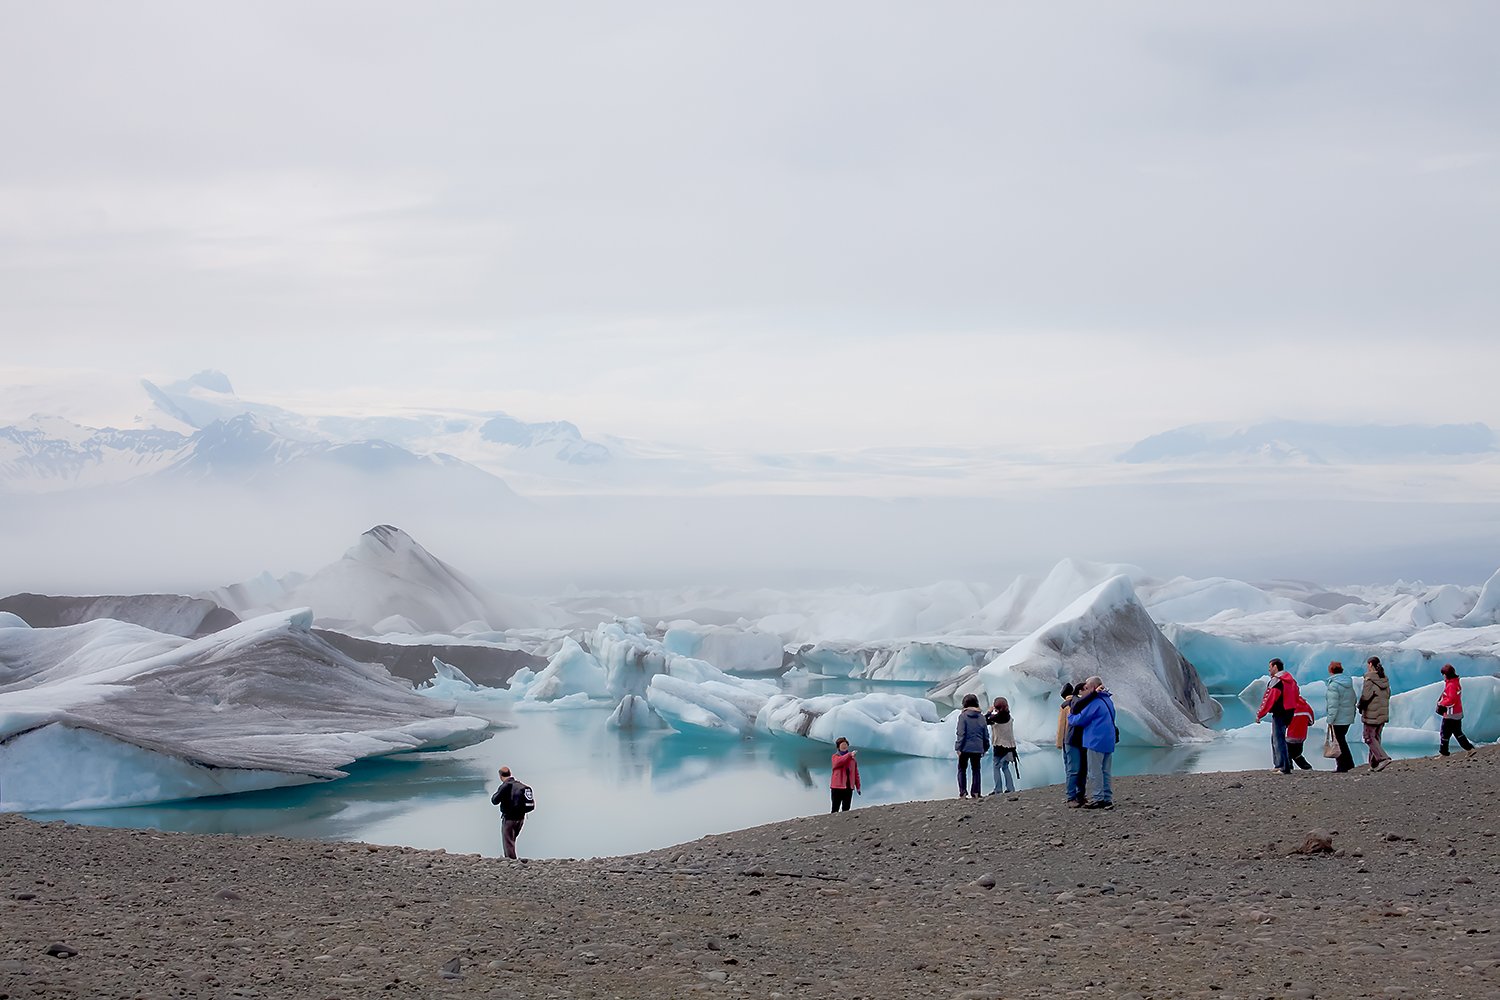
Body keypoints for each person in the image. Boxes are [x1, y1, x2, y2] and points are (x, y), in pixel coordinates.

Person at [1070, 676, 1117, 809]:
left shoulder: (1095, 702)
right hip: (1108, 740)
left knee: (1095, 771)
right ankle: (1107, 798)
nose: (1085, 689)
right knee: (1105, 771)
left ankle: (1098, 798)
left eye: (1086, 687)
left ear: (1092, 687)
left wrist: (1070, 716)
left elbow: (1080, 719)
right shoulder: (1108, 700)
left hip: (1095, 740)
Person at [1255, 658, 1295, 774]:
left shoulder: (1277, 681)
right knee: (1277, 738)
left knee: (1278, 739)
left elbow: (1270, 698)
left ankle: (1283, 767)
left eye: (1270, 667)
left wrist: (1260, 714)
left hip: (1280, 712)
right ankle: (1279, 764)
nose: (1269, 669)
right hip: (1289, 711)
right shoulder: (1290, 680)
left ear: (1275, 667)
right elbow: (1296, 694)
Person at [489, 765, 535, 859]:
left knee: (508, 841)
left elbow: (495, 800)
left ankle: (511, 862)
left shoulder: (505, 785)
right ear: (510, 773)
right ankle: (512, 860)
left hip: (509, 818)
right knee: (512, 840)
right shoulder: (520, 785)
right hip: (521, 818)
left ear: (500, 776)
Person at [1359, 656, 1393, 771]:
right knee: (1376, 737)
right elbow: (1388, 695)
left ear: (1370, 665)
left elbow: (1365, 696)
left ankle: (1383, 759)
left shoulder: (1369, 679)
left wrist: (1360, 707)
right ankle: (1374, 764)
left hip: (1372, 713)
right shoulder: (1384, 679)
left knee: (1368, 737)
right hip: (1382, 712)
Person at [954, 692, 990, 798]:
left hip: (964, 748)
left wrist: (958, 747)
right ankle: (976, 792)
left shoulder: (963, 716)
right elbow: (985, 734)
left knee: (962, 770)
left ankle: (963, 792)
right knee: (976, 770)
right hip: (977, 748)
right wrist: (985, 747)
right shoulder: (982, 717)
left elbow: (961, 733)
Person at [1437, 663, 1477, 755]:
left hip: (1450, 714)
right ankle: (1470, 749)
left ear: (1446, 674)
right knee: (1457, 732)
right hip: (1457, 713)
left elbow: (1451, 699)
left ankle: (1444, 753)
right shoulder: (1455, 683)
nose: (1443, 676)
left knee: (1444, 733)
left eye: (1443, 674)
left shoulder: (1451, 685)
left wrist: (1441, 704)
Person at [1324, 661, 1356, 773]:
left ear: (1331, 671)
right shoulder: (1348, 684)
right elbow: (1353, 700)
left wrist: (1330, 719)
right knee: (1342, 741)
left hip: (1338, 719)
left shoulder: (1333, 685)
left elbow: (1333, 704)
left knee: (1339, 742)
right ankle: (1349, 764)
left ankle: (1342, 766)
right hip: (1347, 718)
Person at [985, 697, 1018, 795]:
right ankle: (1010, 788)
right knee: (1005, 767)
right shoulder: (1008, 716)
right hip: (1010, 746)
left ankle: (998, 789)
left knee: (996, 766)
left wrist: (989, 712)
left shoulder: (996, 718)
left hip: (999, 746)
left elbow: (984, 720)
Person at [1285, 692, 1315, 771]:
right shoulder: (1306, 706)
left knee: (1288, 753)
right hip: (1302, 735)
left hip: (1290, 734)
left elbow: (1285, 721)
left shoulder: (1289, 706)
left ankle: (1290, 767)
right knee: (1297, 753)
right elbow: (1311, 721)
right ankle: (1306, 767)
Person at [829, 737, 861, 812]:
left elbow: (856, 774)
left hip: (849, 787)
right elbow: (838, 763)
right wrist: (849, 755)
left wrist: (858, 786)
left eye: (845, 744)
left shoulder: (853, 760)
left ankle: (845, 823)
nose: (844, 746)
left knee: (846, 809)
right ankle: (834, 822)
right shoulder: (835, 757)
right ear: (838, 747)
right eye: (842, 744)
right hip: (837, 787)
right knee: (835, 808)